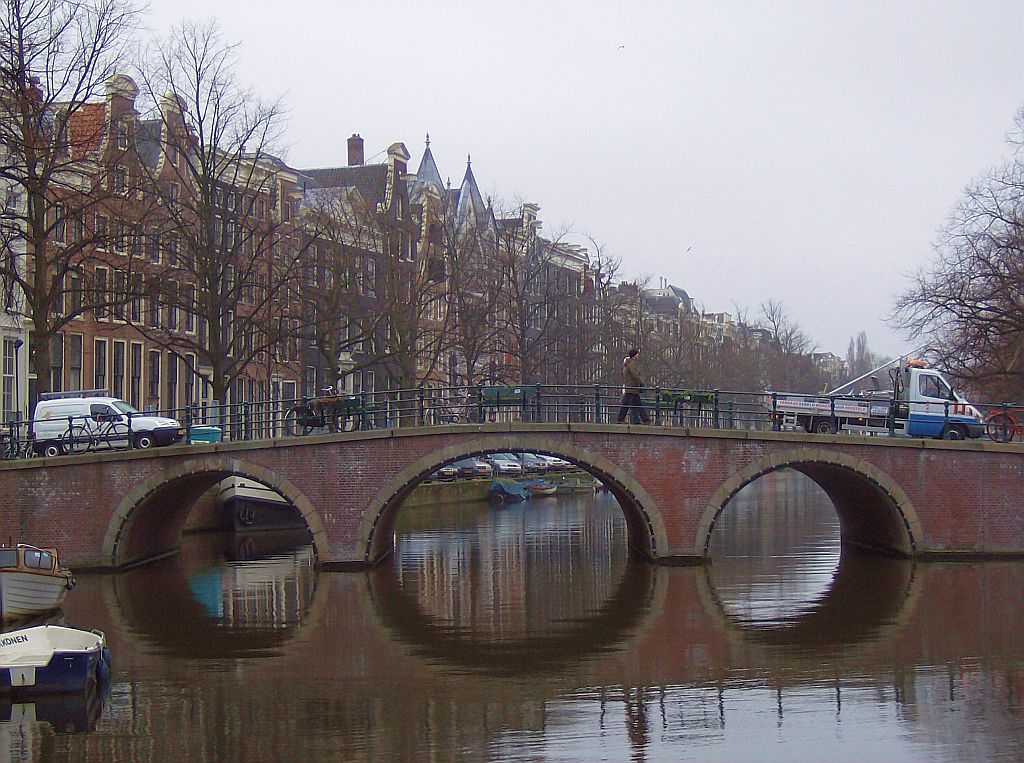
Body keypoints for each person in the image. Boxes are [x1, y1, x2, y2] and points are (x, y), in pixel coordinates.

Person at [616, 348, 650, 424]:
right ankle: (621, 419)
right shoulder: (632, 364)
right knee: (628, 404)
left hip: (631, 387)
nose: (638, 355)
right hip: (632, 387)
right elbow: (635, 375)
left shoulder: (627, 364)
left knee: (636, 404)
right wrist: (641, 382)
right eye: (637, 354)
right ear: (634, 355)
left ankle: (644, 419)